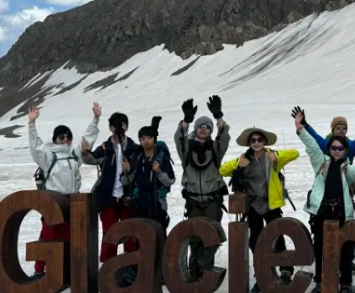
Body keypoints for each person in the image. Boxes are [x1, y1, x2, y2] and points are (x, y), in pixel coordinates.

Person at [294, 107, 355, 293]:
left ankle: (345, 283)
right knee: (319, 246)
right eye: (334, 148)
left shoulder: (346, 167)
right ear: (329, 148)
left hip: (341, 210)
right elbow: (312, 145)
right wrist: (301, 128)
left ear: (345, 151)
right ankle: (320, 281)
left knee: (344, 246)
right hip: (322, 211)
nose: (336, 151)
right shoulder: (321, 160)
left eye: (340, 149)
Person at [220, 125, 300, 293]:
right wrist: (238, 164)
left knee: (277, 238)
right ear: (249, 143)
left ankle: (285, 271)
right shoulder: (244, 158)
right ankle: (262, 274)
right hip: (253, 206)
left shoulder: (272, 155)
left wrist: (276, 156)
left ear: (264, 142)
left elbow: (295, 153)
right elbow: (223, 170)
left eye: (259, 140)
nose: (256, 143)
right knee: (255, 241)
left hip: (272, 204)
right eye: (253, 140)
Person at [29, 103, 101, 280]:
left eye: (68, 136)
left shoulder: (74, 155)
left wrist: (96, 119)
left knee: (69, 234)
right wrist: (31, 124)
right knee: (48, 234)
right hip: (53, 200)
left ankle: (65, 268)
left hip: (71, 200)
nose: (66, 140)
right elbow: (35, 146)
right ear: (55, 139)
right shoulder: (48, 155)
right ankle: (40, 269)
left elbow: (87, 140)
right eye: (61, 137)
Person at [174, 96, 231, 280]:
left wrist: (218, 115)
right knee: (195, 237)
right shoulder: (187, 150)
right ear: (196, 129)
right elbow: (179, 139)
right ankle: (194, 270)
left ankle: (204, 267)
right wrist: (186, 120)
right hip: (194, 200)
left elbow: (224, 136)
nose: (204, 129)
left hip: (212, 199)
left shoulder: (215, 149)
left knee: (212, 236)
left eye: (207, 127)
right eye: (200, 126)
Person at [119, 116, 176, 286]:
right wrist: (126, 173)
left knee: (159, 236)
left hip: (157, 202)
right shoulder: (138, 158)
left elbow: (170, 180)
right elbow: (127, 182)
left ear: (154, 139)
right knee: (141, 236)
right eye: (142, 139)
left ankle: (162, 272)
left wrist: (159, 172)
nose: (145, 141)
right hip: (140, 202)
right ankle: (141, 269)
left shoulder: (162, 158)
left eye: (148, 138)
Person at [82, 110, 140, 263]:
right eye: (115, 125)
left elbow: (141, 167)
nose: (119, 128)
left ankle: (132, 265)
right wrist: (84, 151)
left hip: (128, 197)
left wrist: (131, 167)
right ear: (110, 128)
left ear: (126, 126)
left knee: (131, 232)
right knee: (109, 232)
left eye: (122, 124)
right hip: (109, 197)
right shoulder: (105, 148)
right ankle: (108, 266)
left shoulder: (134, 148)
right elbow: (91, 160)